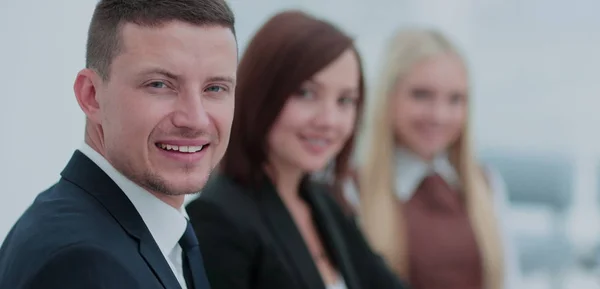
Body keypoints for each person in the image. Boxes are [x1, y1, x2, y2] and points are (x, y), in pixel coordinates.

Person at [0, 0, 237, 288]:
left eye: (215, 88)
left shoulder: (154, 233)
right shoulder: (83, 264)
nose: (196, 120)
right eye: (159, 84)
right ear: (92, 96)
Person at [186, 10, 407, 289]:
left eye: (345, 100)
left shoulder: (325, 205)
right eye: (306, 93)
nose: (328, 120)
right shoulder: (218, 217)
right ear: (260, 93)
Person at [349, 29, 522, 289]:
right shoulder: (351, 189)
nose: (439, 115)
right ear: (388, 97)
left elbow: (510, 281)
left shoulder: (485, 184)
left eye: (455, 99)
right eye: (421, 95)